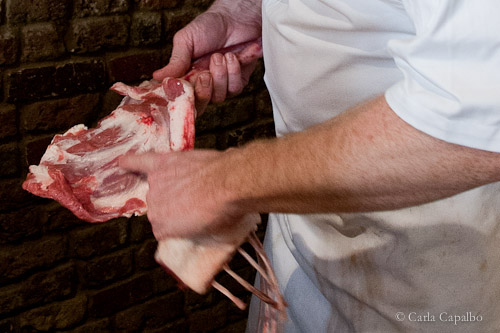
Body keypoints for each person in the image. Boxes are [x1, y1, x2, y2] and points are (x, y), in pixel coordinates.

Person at [120, 0, 500, 331]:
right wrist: (245, 9)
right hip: (301, 253)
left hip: (437, 273)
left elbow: (478, 125)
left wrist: (223, 183)